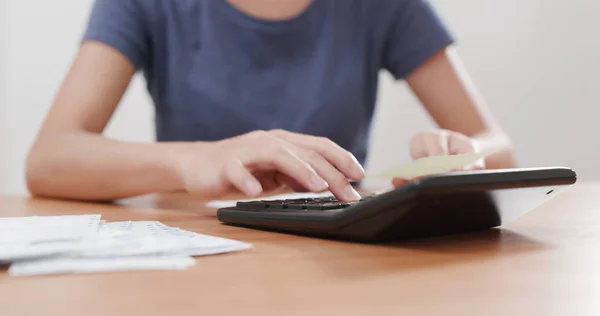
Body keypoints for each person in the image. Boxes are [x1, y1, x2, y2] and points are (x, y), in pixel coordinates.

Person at [26, 0, 517, 202]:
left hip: (342, 264)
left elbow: (498, 147)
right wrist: (195, 158)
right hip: (192, 262)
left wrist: (461, 154)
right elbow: (51, 158)